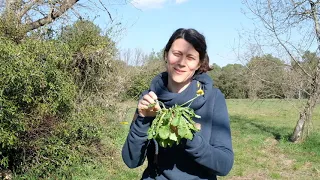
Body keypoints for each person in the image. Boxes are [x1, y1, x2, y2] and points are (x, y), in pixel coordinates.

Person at [122, 28, 234, 180]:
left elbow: (224, 165)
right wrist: (143, 120)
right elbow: (131, 161)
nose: (181, 63)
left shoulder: (214, 98)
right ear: (166, 55)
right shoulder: (150, 99)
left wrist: (188, 136)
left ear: (199, 63)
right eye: (176, 54)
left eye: (190, 57)